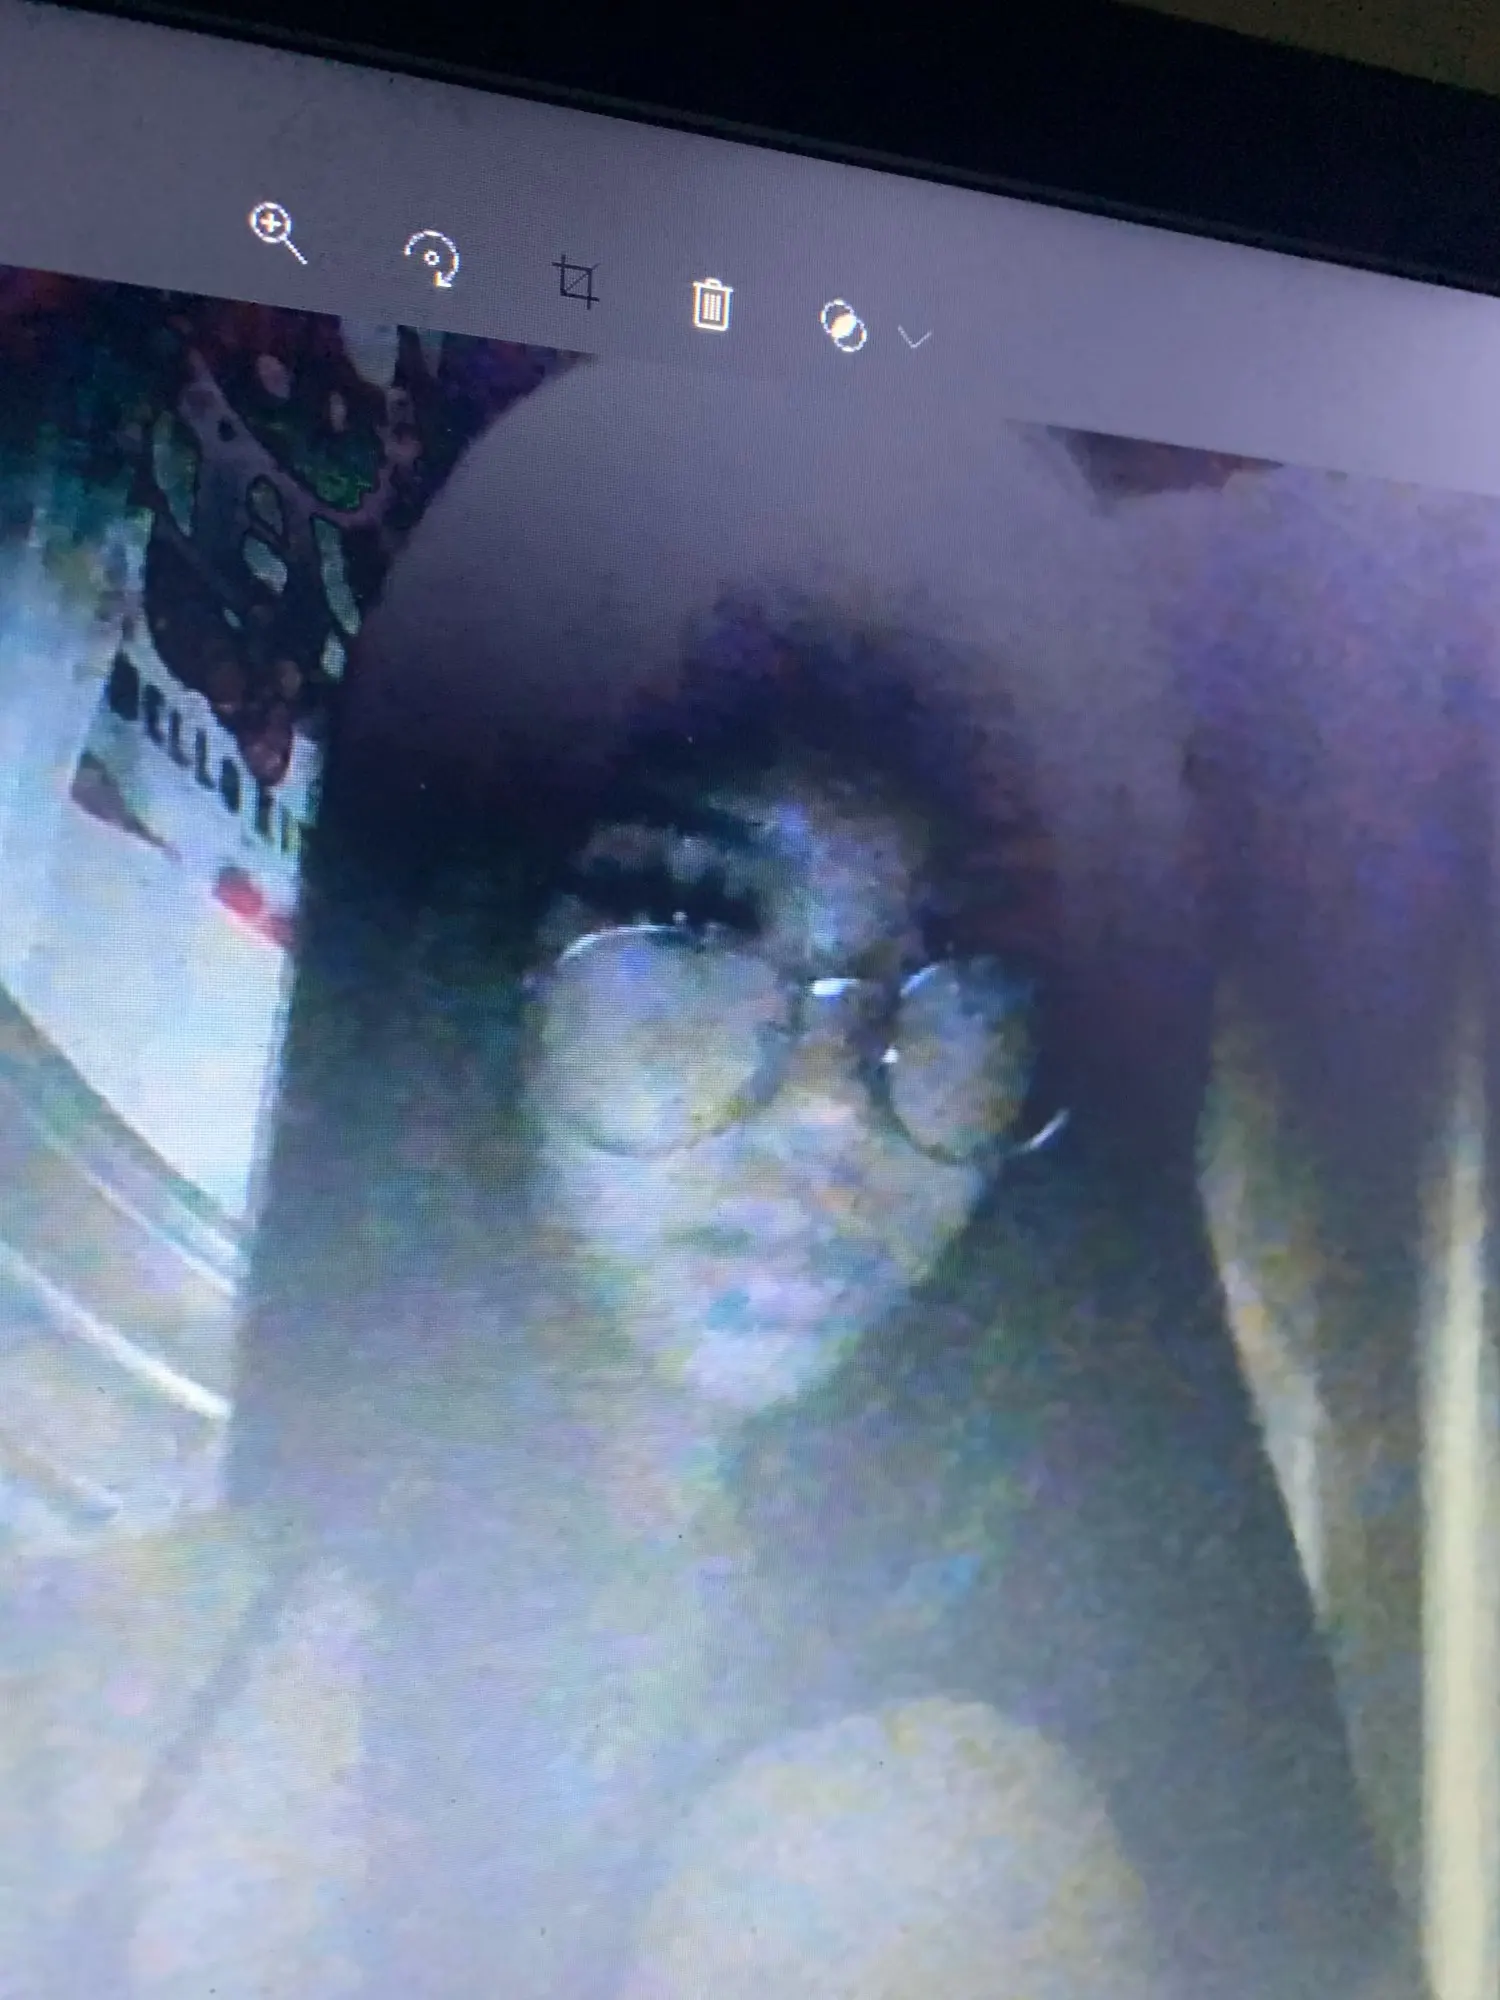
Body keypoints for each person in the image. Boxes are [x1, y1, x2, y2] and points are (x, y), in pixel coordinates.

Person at [3, 365, 1423, 2000]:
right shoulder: (123, 1664)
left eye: (964, 962)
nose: (829, 1106)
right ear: (460, 954)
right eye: (687, 918)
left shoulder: (942, 1829)